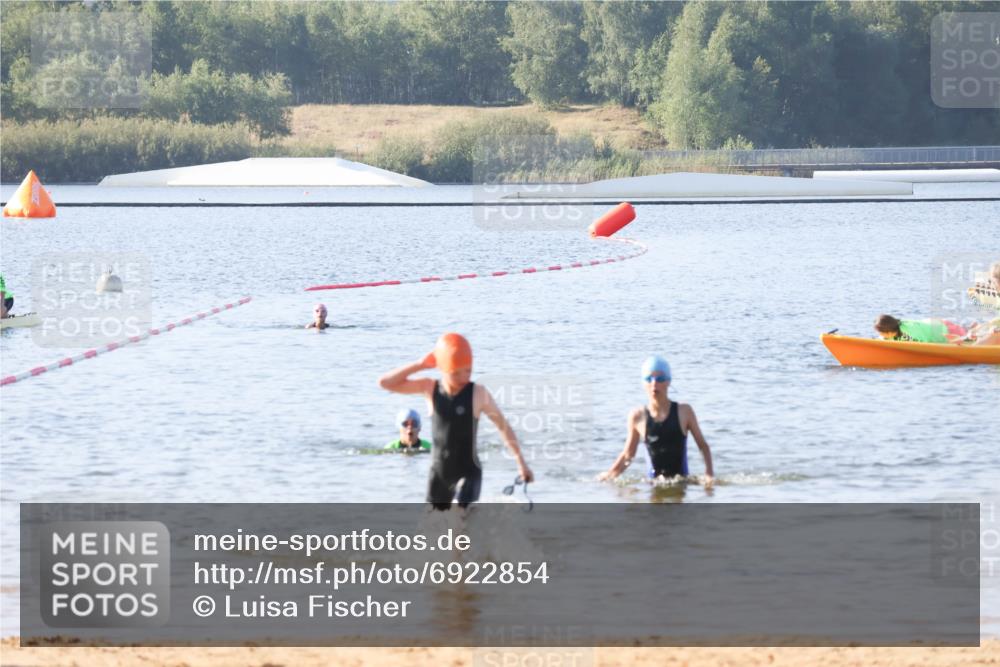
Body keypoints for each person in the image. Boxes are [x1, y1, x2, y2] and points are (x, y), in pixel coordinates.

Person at [378, 332, 533, 511]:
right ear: (443, 369)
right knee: (437, 531)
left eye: (468, 370)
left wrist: (521, 463)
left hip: (469, 473)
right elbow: (385, 383)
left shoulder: (478, 393)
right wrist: (420, 364)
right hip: (439, 474)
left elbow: (503, 426)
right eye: (456, 373)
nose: (463, 377)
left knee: (458, 518)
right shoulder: (430, 388)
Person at [599, 356, 714, 488]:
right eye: (649, 379)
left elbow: (703, 446)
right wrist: (610, 475)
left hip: (681, 483)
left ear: (668, 381)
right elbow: (627, 455)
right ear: (643, 383)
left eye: (660, 379)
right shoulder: (638, 417)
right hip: (653, 485)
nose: (654, 383)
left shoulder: (684, 412)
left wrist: (709, 474)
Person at [873, 315, 965, 343]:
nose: (880, 335)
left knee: (970, 336)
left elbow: (925, 346)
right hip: (933, 324)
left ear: (888, 331)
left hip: (946, 329)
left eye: (880, 332)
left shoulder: (909, 332)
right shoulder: (892, 332)